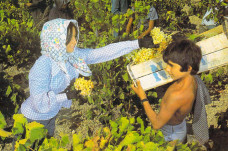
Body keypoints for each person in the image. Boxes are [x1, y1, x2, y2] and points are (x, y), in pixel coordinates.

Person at [18, 18, 157, 137]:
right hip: (31, 117)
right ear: (56, 40)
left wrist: (136, 44)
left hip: (51, 114)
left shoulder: (72, 55)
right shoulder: (43, 65)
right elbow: (39, 102)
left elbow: (103, 53)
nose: (74, 41)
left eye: (75, 36)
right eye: (69, 38)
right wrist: (66, 96)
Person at [131, 39, 211, 144]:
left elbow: (156, 124)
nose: (167, 69)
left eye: (171, 65)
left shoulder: (176, 95)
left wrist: (143, 97)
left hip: (170, 134)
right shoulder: (193, 79)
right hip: (179, 127)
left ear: (188, 67)